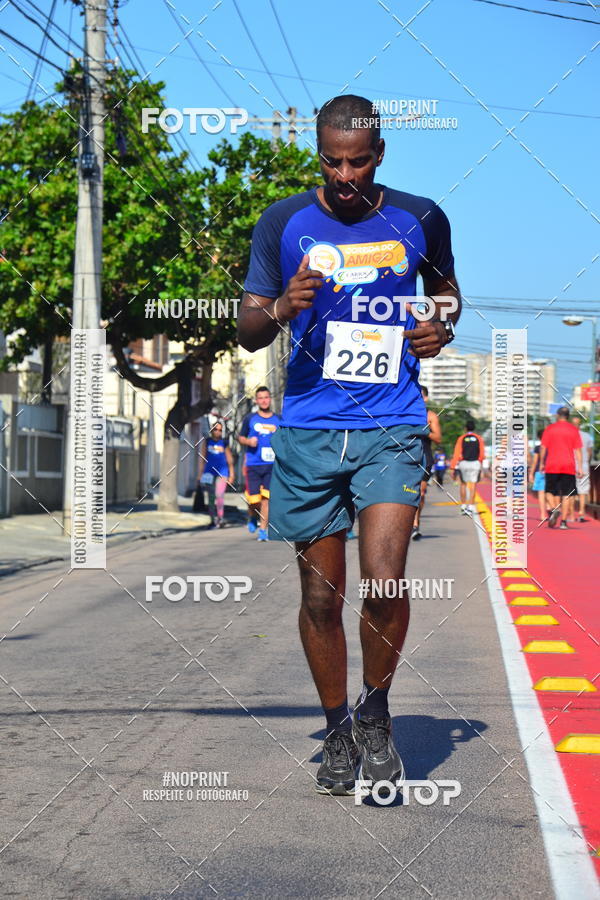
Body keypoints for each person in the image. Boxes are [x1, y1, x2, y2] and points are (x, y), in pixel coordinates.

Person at [238, 94, 461, 795]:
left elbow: (447, 293)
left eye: (357, 162)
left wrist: (440, 327)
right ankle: (337, 727)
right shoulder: (283, 222)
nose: (343, 176)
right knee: (319, 596)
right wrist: (282, 306)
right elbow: (247, 327)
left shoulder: (421, 217)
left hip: (391, 422)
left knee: (386, 579)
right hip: (309, 428)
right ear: (320, 156)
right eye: (331, 162)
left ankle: (376, 711)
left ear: (379, 155)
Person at [238, 387, 281, 542]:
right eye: (260, 398)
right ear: (256, 401)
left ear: (270, 399)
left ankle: (263, 530)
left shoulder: (278, 419)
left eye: (266, 397)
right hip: (253, 464)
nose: (264, 400)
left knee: (266, 499)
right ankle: (252, 516)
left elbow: (284, 439)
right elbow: (240, 437)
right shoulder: (250, 418)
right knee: (254, 500)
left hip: (271, 465)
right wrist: (248, 441)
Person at [540, 407, 582, 530]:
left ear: (558, 415)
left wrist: (542, 462)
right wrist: (580, 467)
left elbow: (543, 447)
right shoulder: (574, 430)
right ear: (568, 416)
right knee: (567, 494)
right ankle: (563, 522)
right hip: (568, 465)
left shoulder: (550, 428)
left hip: (552, 465)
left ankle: (554, 509)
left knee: (549, 491)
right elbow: (578, 450)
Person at [412, 386, 442, 540]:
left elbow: (438, 438)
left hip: (424, 457)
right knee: (405, 492)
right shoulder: (404, 413)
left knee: (420, 493)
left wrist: (425, 431)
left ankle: (415, 524)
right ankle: (406, 522)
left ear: (425, 398)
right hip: (404, 457)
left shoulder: (430, 416)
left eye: (420, 395)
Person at [197, 421, 234, 528]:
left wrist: (232, 474)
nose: (218, 432)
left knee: (219, 495)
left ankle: (220, 518)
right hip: (208, 473)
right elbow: (202, 458)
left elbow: (229, 460)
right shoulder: (207, 442)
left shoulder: (224, 443)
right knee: (211, 497)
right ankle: (212, 520)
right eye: (216, 429)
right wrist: (200, 474)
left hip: (222, 473)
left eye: (220, 430)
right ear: (212, 430)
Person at [450, 419, 485, 514]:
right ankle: (471, 507)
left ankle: (463, 506)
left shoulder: (461, 438)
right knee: (473, 485)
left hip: (464, 463)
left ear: (465, 428)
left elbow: (456, 453)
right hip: (475, 463)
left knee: (463, 484)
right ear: (474, 428)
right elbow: (482, 454)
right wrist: (480, 463)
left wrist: (452, 467)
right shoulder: (479, 438)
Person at [571, 415, 594, 522]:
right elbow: (589, 452)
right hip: (583, 466)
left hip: (570, 465)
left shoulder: (568, 436)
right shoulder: (587, 436)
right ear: (579, 425)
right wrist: (586, 462)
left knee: (570, 491)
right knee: (583, 491)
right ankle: (581, 513)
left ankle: (571, 514)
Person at [528, 429, 547, 522]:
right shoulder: (553, 447)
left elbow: (535, 461)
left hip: (540, 472)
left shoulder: (538, 448)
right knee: (551, 492)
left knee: (541, 493)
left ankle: (543, 515)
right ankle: (550, 507)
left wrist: (531, 473)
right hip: (551, 470)